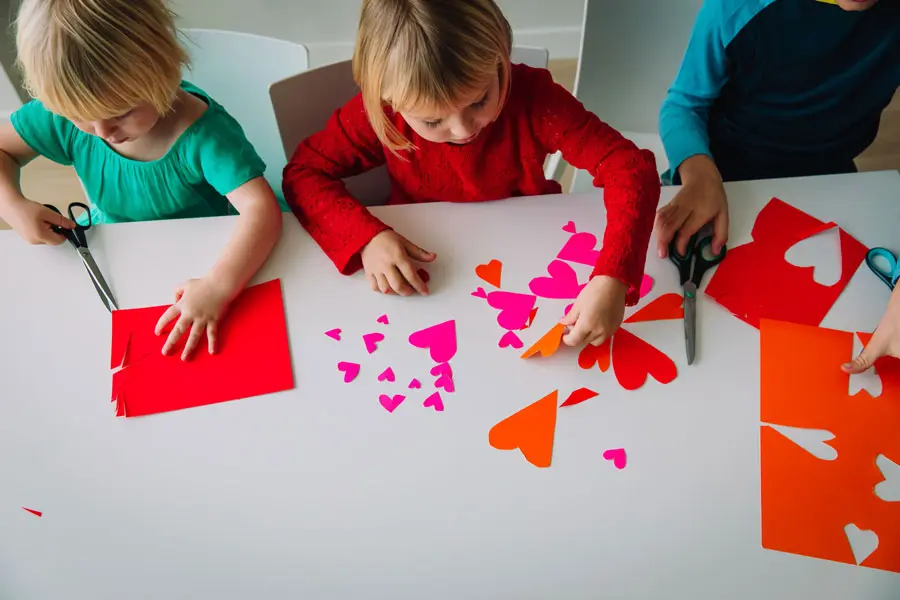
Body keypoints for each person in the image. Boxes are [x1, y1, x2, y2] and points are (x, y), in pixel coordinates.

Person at [283, 0, 661, 348]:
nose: (463, 130)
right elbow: (303, 172)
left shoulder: (534, 99)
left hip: (530, 253)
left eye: (479, 100)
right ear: (388, 100)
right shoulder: (381, 114)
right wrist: (367, 238)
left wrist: (612, 275)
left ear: (499, 57)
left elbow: (630, 168)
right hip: (430, 272)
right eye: (433, 120)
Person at [0, 0, 282, 359]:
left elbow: (262, 211)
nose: (101, 132)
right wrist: (13, 207)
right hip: (119, 251)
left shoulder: (205, 135)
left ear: (163, 71)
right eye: (78, 117)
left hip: (210, 254)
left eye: (120, 113)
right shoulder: (71, 112)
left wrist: (218, 287)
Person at [654, 0, 900, 259]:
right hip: (720, 179)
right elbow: (683, 106)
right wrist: (699, 173)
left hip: (831, 180)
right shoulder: (734, 8)